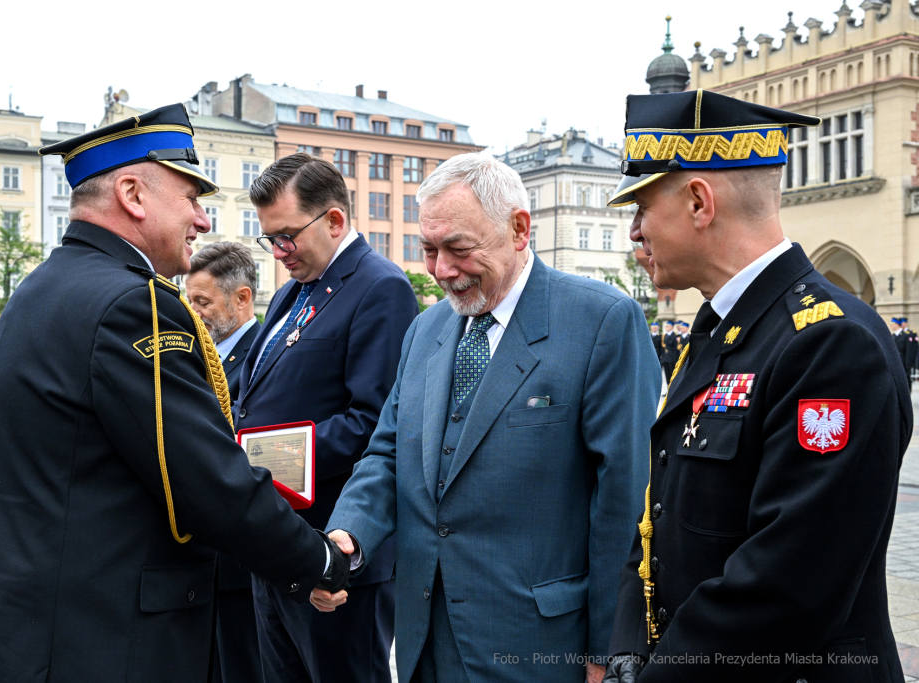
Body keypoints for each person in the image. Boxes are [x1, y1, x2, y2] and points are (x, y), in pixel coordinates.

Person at [0, 104, 349, 683]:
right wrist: (318, 560)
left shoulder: (41, 288)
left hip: (35, 628)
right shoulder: (133, 305)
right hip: (109, 639)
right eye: (191, 198)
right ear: (132, 194)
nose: (201, 220)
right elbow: (206, 480)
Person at [602, 90, 911, 683]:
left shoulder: (829, 344)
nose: (634, 233)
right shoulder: (718, 329)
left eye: (640, 207)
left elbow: (788, 587)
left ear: (698, 201)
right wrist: (628, 648)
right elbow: (655, 521)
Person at [319, 152, 659, 683]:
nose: (441, 270)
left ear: (519, 229)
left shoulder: (602, 321)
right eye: (428, 249)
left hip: (539, 647)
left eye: (458, 249)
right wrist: (349, 535)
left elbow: (623, 498)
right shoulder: (425, 329)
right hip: (422, 642)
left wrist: (607, 649)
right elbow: (387, 454)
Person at [232, 152, 417, 683]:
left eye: (287, 235)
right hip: (279, 541)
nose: (278, 252)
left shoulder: (380, 287)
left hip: (337, 550)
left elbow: (375, 423)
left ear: (335, 221)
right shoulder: (293, 288)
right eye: (270, 239)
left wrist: (261, 457)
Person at [185, 241, 264, 683]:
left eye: (202, 301)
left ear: (242, 298)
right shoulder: (198, 351)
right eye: (188, 300)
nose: (193, 312)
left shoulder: (262, 355)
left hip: (236, 558)